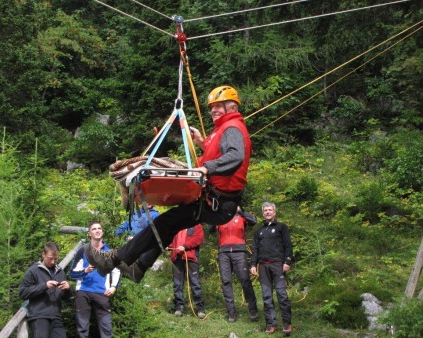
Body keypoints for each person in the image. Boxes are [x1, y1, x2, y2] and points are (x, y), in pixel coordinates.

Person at [86, 85, 252, 286]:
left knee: (166, 223)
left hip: (218, 202)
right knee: (167, 225)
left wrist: (207, 168)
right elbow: (218, 152)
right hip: (214, 200)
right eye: (211, 107)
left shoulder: (232, 128)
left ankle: (113, 259)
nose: (213, 111)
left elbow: (235, 156)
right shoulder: (223, 129)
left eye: (218, 106)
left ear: (232, 106)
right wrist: (201, 143)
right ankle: (138, 267)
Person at [69, 221, 121, 338]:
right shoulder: (83, 250)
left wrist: (113, 287)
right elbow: (72, 274)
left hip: (102, 292)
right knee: (82, 329)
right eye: (94, 229)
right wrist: (85, 271)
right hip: (83, 291)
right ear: (89, 234)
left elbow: (117, 271)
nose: (97, 230)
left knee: (106, 329)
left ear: (102, 232)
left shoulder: (109, 252)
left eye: (99, 228)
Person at [250, 202, 293, 335]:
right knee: (266, 296)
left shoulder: (281, 227)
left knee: (281, 294)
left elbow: (288, 245)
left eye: (270, 210)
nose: (268, 212)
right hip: (263, 266)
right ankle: (271, 324)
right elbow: (255, 249)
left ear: (274, 212)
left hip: (277, 265)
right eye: (265, 210)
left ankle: (286, 323)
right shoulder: (259, 230)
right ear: (263, 213)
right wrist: (253, 265)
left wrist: (287, 261)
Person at [212, 206, 259, 322]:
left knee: (245, 280)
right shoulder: (221, 217)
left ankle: (253, 310)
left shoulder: (241, 216)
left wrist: (241, 211)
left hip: (239, 252)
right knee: (226, 281)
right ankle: (231, 313)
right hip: (224, 253)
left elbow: (253, 221)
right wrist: (216, 215)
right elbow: (210, 229)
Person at [19, 242, 71, 338]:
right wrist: (44, 286)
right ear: (43, 254)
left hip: (56, 317)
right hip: (39, 316)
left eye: (55, 259)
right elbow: (22, 293)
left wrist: (68, 289)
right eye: (50, 258)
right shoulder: (33, 270)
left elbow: (66, 298)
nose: (53, 262)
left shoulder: (60, 272)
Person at [169, 224, 206, 319]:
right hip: (177, 258)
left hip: (191, 257)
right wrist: (169, 246)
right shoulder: (177, 224)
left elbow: (199, 238)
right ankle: (179, 308)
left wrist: (185, 246)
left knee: (195, 283)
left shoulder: (196, 225)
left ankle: (200, 309)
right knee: (177, 283)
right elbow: (171, 238)